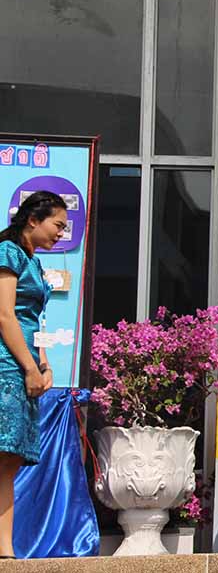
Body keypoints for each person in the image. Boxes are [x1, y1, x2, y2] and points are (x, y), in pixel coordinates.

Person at [0, 191, 67, 559]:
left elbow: (34, 321)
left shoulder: (34, 263)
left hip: (26, 367)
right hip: (6, 366)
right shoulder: (8, 253)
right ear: (33, 219)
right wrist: (28, 367)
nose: (61, 233)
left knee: (8, 461)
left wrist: (44, 365)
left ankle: (5, 551)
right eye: (57, 224)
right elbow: (5, 315)